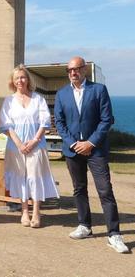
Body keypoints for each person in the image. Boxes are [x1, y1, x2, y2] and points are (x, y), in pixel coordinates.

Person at [54, 56, 128, 253]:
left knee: (105, 191)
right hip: (73, 151)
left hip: (96, 150)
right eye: (69, 70)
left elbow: (106, 120)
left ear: (84, 69)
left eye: (76, 69)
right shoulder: (62, 94)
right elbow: (59, 123)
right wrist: (72, 143)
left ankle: (114, 234)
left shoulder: (99, 90)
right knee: (79, 189)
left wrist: (90, 143)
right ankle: (84, 226)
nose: (73, 73)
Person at [0, 64, 59, 228]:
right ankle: (24, 211)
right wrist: (19, 144)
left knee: (35, 177)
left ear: (28, 79)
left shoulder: (38, 98)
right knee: (22, 178)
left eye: (23, 77)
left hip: (36, 145)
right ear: (13, 80)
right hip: (15, 146)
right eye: (17, 77)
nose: (20, 80)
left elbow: (45, 122)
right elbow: (5, 125)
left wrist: (33, 141)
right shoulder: (9, 101)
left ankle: (36, 212)